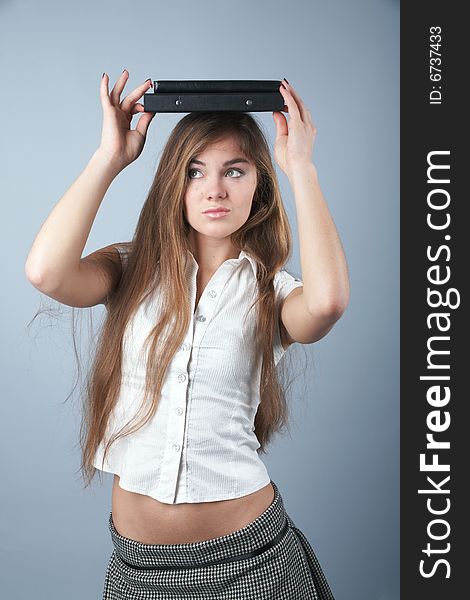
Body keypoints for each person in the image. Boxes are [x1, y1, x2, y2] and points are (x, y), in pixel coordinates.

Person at [25, 69, 349, 599]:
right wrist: (109, 158)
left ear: (260, 185)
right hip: (139, 571)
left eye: (235, 171)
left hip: (252, 564)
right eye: (195, 171)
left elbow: (328, 304)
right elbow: (46, 272)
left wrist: (301, 169)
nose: (214, 189)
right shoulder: (129, 271)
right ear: (174, 182)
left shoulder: (271, 291)